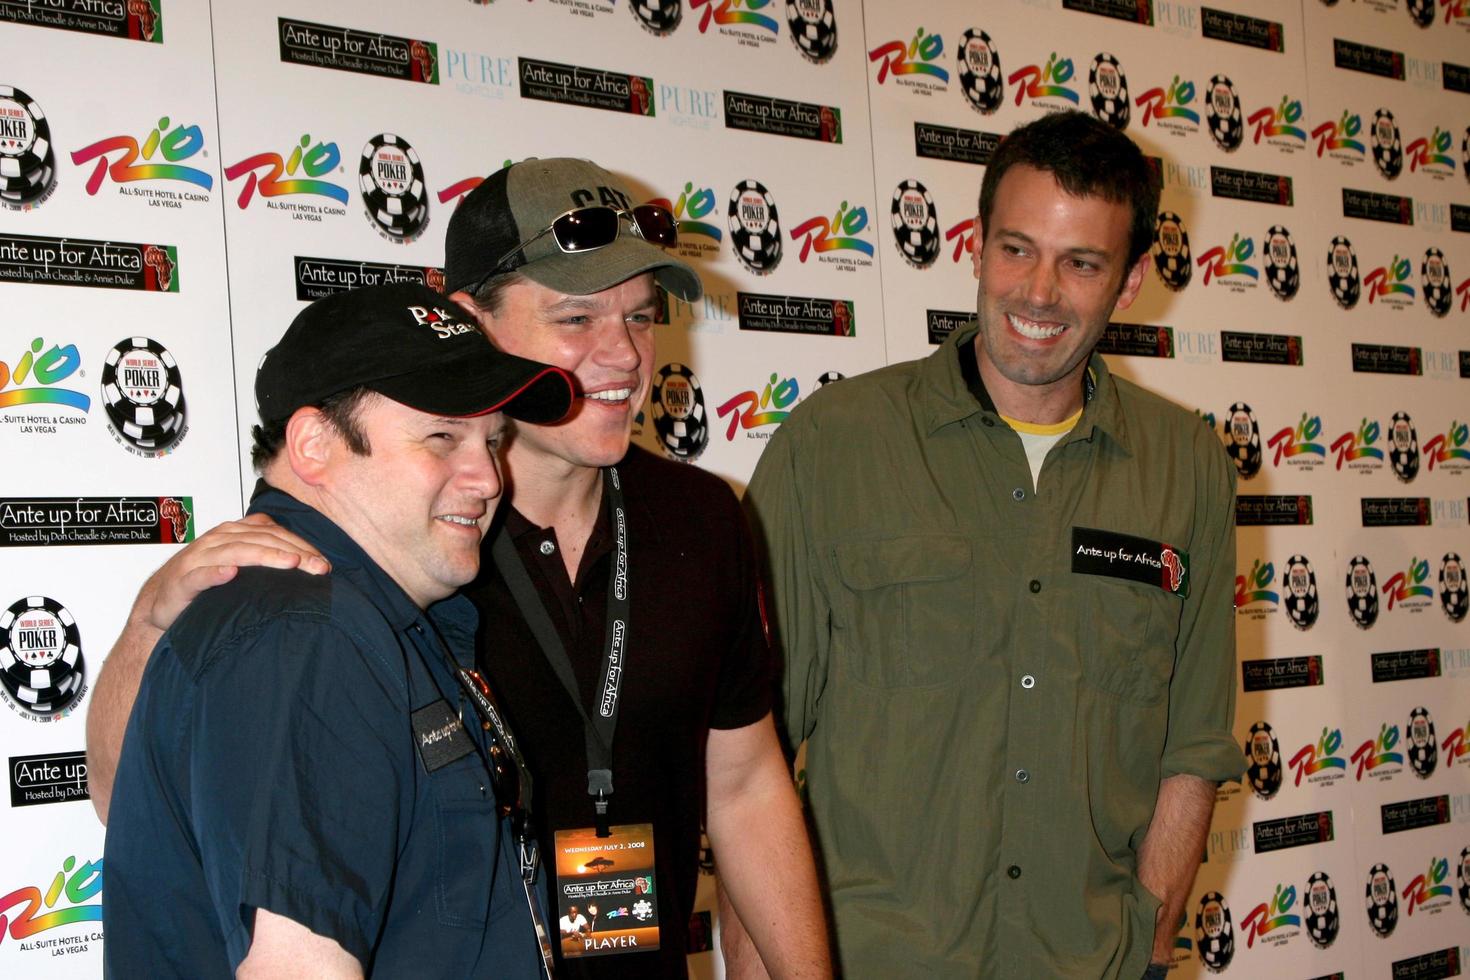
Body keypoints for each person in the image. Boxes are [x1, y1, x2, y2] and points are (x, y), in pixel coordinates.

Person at [88, 159, 831, 980]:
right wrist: (148, 627)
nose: (622, 353)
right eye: (576, 316)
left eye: (642, 317)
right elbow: (146, 811)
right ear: (470, 318)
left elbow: (747, 788)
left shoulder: (691, 519)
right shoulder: (371, 562)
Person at [744, 110, 1240, 979]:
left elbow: (1192, 750)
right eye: (1017, 249)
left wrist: (1153, 957)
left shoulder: (1188, 465)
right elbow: (749, 755)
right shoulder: (834, 443)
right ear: (976, 247)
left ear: (1128, 284)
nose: (1038, 293)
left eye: (1081, 263)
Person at [102, 283, 576, 978]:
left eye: (494, 440)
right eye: (443, 436)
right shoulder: (308, 634)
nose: (488, 477)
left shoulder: (348, 620)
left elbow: (128, 809)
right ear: (315, 446)